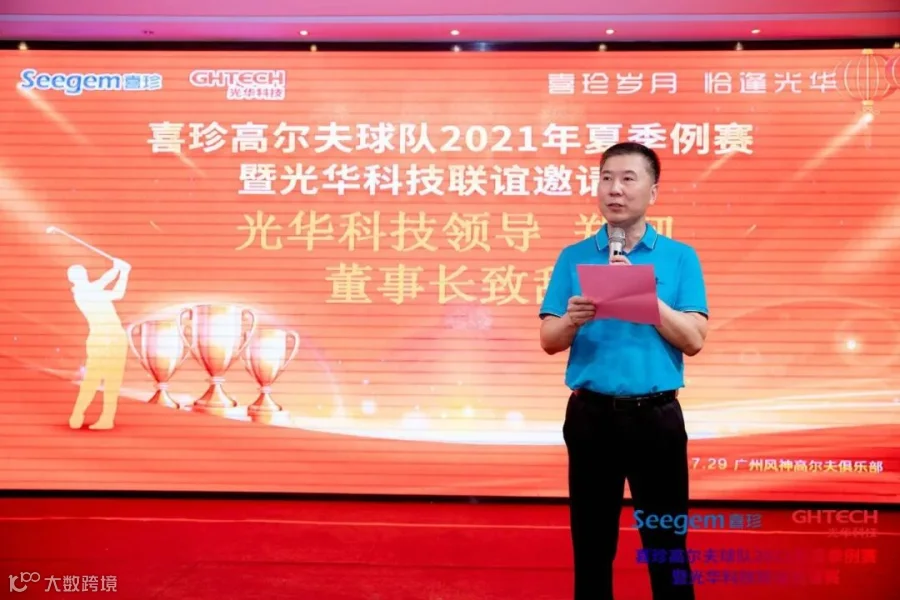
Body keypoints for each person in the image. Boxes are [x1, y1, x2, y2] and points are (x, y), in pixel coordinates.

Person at [539, 142, 708, 600]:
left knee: (666, 546)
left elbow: (694, 340)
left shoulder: (679, 257)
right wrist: (572, 320)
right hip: (591, 419)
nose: (615, 189)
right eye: (606, 178)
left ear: (653, 192)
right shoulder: (574, 256)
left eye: (628, 179)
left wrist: (645, 299)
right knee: (592, 545)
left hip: (656, 419)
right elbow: (549, 340)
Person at [67, 258, 132, 430]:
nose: (84, 276)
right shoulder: (84, 293)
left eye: (83, 273)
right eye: (79, 274)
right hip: (101, 338)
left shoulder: (89, 289)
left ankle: (106, 418)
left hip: (115, 337)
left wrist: (117, 268)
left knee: (112, 380)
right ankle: (78, 413)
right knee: (93, 379)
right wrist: (124, 273)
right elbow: (118, 293)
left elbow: (104, 280)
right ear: (73, 279)